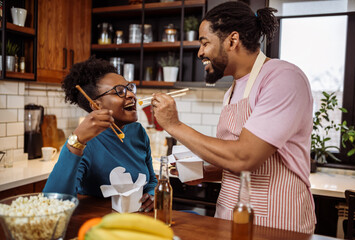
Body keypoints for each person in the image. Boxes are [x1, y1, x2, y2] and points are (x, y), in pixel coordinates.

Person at [151, 1, 316, 233]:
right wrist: (204, 173)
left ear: (232, 40)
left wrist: (174, 125)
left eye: (205, 43)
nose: (200, 52)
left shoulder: (283, 78)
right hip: (229, 219)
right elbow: (238, 166)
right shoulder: (232, 91)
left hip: (275, 224)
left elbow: (245, 157)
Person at [43, 56, 157, 212]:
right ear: (96, 105)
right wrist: (77, 141)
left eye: (129, 88)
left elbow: (151, 181)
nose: (131, 95)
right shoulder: (85, 143)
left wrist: (152, 195)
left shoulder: (138, 132)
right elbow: (53, 203)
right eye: (119, 91)